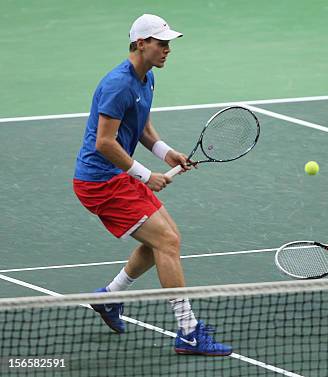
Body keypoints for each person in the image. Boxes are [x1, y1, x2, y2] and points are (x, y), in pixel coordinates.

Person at [72, 14, 231, 356]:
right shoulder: (118, 84)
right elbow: (104, 142)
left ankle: (111, 298)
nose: (167, 50)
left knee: (161, 239)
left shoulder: (146, 79)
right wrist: (146, 175)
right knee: (168, 241)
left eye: (168, 44)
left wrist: (166, 153)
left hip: (114, 177)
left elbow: (141, 125)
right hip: (100, 181)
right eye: (161, 43)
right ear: (141, 43)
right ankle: (188, 332)